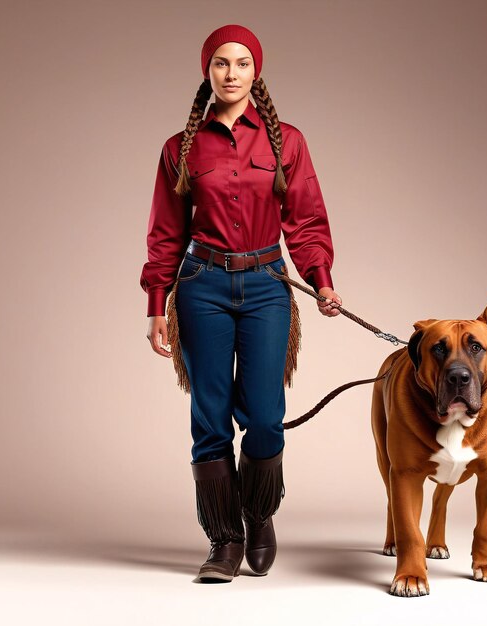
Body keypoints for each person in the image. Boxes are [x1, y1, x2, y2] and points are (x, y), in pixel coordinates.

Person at [140, 24, 341, 583]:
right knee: (208, 415)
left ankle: (259, 514)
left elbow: (305, 220)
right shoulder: (180, 149)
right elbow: (164, 234)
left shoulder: (286, 142)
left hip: (266, 288)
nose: (232, 73)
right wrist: (157, 303)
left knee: (265, 415)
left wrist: (321, 279)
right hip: (200, 286)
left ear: (257, 72)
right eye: (221, 64)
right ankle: (224, 540)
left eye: (242, 63)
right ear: (207, 72)